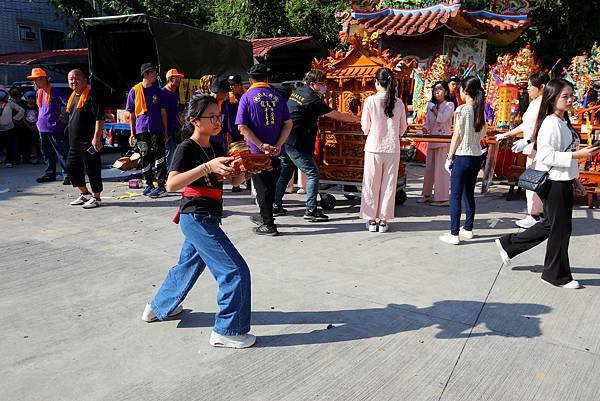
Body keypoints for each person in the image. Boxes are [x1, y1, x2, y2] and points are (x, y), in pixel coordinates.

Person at [141, 95, 255, 348]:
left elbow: (231, 182)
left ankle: (158, 307)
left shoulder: (214, 147)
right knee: (235, 271)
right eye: (211, 116)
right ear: (194, 120)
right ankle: (228, 330)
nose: (217, 121)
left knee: (188, 265)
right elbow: (171, 184)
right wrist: (208, 167)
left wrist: (244, 170)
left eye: (219, 116)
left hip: (209, 216)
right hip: (196, 217)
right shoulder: (187, 148)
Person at [495, 79, 600, 289]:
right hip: (553, 183)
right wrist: (578, 155)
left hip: (562, 180)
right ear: (552, 99)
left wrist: (576, 179)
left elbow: (564, 153)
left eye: (572, 96)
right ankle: (555, 275)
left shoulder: (563, 122)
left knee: (552, 225)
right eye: (565, 96)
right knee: (560, 230)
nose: (570, 100)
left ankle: (509, 244)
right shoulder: (551, 122)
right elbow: (545, 155)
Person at [274, 69, 359, 221]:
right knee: (313, 173)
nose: (324, 86)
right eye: (322, 84)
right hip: (297, 142)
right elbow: (335, 115)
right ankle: (311, 210)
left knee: (286, 172)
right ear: (313, 84)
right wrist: (356, 119)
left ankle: (276, 205)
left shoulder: (299, 90)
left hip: (286, 138)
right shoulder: (312, 99)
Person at [236, 63, 293, 236]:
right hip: (276, 152)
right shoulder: (277, 97)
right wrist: (279, 144)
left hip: (256, 153)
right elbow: (288, 124)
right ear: (267, 79)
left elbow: (242, 127)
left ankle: (269, 224)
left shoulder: (246, 98)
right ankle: (264, 216)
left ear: (251, 79)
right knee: (270, 185)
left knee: (262, 188)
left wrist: (261, 145)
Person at [496, 72, 550, 228]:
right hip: (529, 147)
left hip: (538, 147)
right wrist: (506, 134)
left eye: (530, 86)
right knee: (531, 181)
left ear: (542, 87)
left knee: (535, 182)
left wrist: (528, 140)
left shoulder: (545, 104)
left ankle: (534, 215)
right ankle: (533, 213)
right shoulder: (534, 103)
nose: (527, 88)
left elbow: (539, 128)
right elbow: (525, 126)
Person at [439, 76, 486, 245]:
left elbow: (457, 136)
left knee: (455, 196)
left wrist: (449, 156)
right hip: (476, 156)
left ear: (465, 91)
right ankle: (468, 228)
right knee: (469, 194)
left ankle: (454, 233)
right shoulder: (480, 110)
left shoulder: (462, 109)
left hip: (462, 156)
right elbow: (482, 134)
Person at [360, 68, 407, 232]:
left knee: (371, 183)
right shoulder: (399, 102)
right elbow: (403, 128)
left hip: (374, 147)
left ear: (377, 82)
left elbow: (365, 128)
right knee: (389, 185)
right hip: (392, 147)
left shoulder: (370, 101)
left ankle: (371, 219)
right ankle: (384, 221)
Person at [126, 63, 169, 198]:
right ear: (145, 74)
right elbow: (131, 114)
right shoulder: (135, 91)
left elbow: (163, 113)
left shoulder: (158, 92)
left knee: (160, 156)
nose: (156, 75)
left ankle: (161, 185)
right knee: (145, 157)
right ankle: (149, 183)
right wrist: (132, 133)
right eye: (153, 73)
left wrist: (165, 131)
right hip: (141, 129)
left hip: (156, 128)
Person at [64, 69, 105, 209]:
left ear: (84, 79)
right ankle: (84, 193)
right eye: (71, 79)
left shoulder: (92, 96)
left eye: (76, 78)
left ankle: (96, 197)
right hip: (74, 143)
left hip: (89, 142)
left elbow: (99, 119)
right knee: (71, 166)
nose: (73, 81)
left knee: (93, 169)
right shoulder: (73, 96)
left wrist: (96, 138)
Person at [28, 68, 70, 183]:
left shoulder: (55, 92)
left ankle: (67, 174)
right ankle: (50, 173)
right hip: (42, 127)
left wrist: (63, 114)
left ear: (43, 79)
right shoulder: (38, 93)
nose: (34, 83)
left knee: (61, 152)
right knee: (46, 152)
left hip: (55, 127)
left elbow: (69, 103)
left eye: (36, 80)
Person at [417, 81, 454, 206]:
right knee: (429, 170)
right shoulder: (432, 107)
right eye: (434, 90)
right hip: (432, 140)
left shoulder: (449, 105)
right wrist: (421, 131)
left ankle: (442, 198)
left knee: (441, 171)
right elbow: (427, 124)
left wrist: (433, 109)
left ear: (446, 92)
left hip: (443, 141)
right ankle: (426, 194)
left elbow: (443, 119)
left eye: (439, 89)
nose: (436, 92)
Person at [222, 74, 247, 192]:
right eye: (230, 85)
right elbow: (225, 117)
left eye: (234, 85)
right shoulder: (227, 99)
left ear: (240, 85)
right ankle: (235, 184)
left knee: (246, 156)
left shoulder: (246, 97)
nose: (232, 87)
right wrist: (226, 132)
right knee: (233, 157)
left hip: (244, 132)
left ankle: (248, 181)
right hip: (232, 132)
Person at [162, 68, 185, 169]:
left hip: (176, 127)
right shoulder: (162, 93)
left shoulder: (176, 93)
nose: (179, 80)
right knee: (169, 151)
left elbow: (178, 111)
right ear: (170, 79)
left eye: (179, 78)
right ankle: (169, 174)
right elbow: (163, 113)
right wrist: (165, 132)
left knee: (177, 151)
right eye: (177, 78)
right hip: (166, 127)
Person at [0, 86, 25, 168]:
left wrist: (15, 119)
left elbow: (21, 110)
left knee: (9, 145)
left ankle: (9, 160)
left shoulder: (9, 102)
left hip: (9, 127)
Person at [209, 77, 231, 152]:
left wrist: (226, 140)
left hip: (219, 141)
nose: (227, 95)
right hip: (208, 141)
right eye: (226, 92)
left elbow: (225, 125)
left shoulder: (224, 104)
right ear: (221, 91)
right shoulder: (206, 104)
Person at [21, 91, 41, 164]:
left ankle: (37, 156)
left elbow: (40, 116)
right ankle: (27, 158)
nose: (30, 100)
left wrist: (35, 125)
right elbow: (22, 117)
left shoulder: (38, 106)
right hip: (26, 128)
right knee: (26, 143)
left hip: (36, 127)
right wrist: (28, 126)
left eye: (32, 98)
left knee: (36, 142)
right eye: (28, 98)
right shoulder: (24, 107)